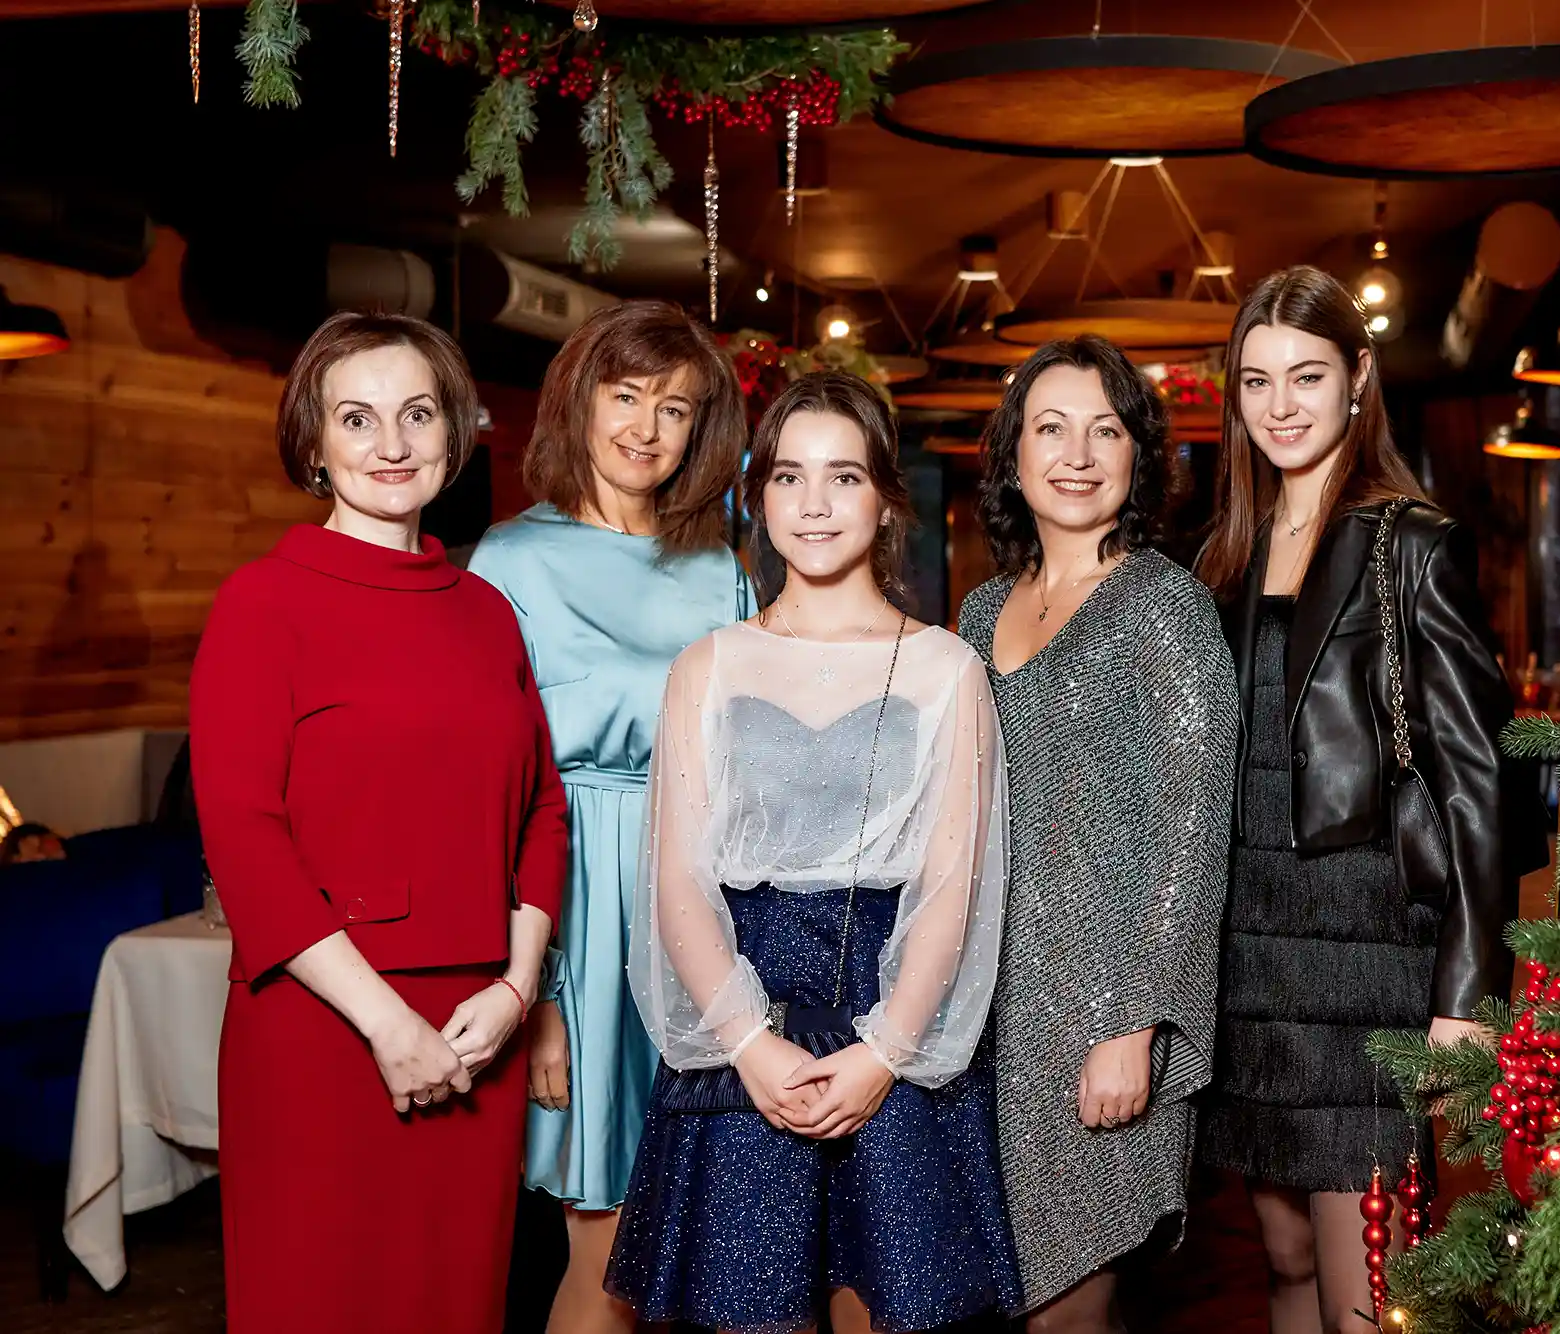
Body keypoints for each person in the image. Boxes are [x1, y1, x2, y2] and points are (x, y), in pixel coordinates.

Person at [608, 371, 1021, 1334]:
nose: (815, 503)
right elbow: (678, 881)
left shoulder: (946, 668)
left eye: (844, 476)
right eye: (789, 477)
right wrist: (748, 1045)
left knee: (901, 1309)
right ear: (759, 499)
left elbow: (952, 884)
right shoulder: (707, 665)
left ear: (885, 500)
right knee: (755, 1314)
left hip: (893, 1010)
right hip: (744, 1011)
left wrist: (885, 1052)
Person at [189, 311, 565, 1334]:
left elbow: (543, 807)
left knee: (455, 1301)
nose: (391, 443)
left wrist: (518, 987)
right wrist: (386, 1023)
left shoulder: (485, 610)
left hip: (476, 1026)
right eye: (356, 418)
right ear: (313, 442)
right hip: (323, 1026)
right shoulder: (262, 603)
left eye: (417, 414)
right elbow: (243, 834)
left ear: (453, 432)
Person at [1192, 265, 1544, 1334]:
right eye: (1256, 381)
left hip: (1369, 950)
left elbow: (1479, 783)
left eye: (1306, 375)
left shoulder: (1411, 543)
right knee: (1285, 1256)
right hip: (1250, 953)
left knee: (1370, 1280)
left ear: (1356, 378)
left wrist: (1466, 994)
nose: (1280, 406)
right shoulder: (1224, 557)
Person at [468, 301, 751, 1334]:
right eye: (626, 395)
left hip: (699, 914)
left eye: (674, 408)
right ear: (579, 401)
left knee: (690, 1250)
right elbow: (490, 795)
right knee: (609, 1258)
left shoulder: (720, 569)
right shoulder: (508, 562)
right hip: (576, 922)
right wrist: (538, 994)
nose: (646, 427)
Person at [956, 335, 1238, 1332]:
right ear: (1013, 454)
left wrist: (1135, 1023)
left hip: (1102, 1009)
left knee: (1068, 1308)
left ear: (1136, 455)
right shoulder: (978, 611)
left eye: (1104, 430)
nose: (1076, 455)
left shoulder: (1165, 606)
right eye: (1050, 428)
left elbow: (1194, 829)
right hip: (988, 1011)